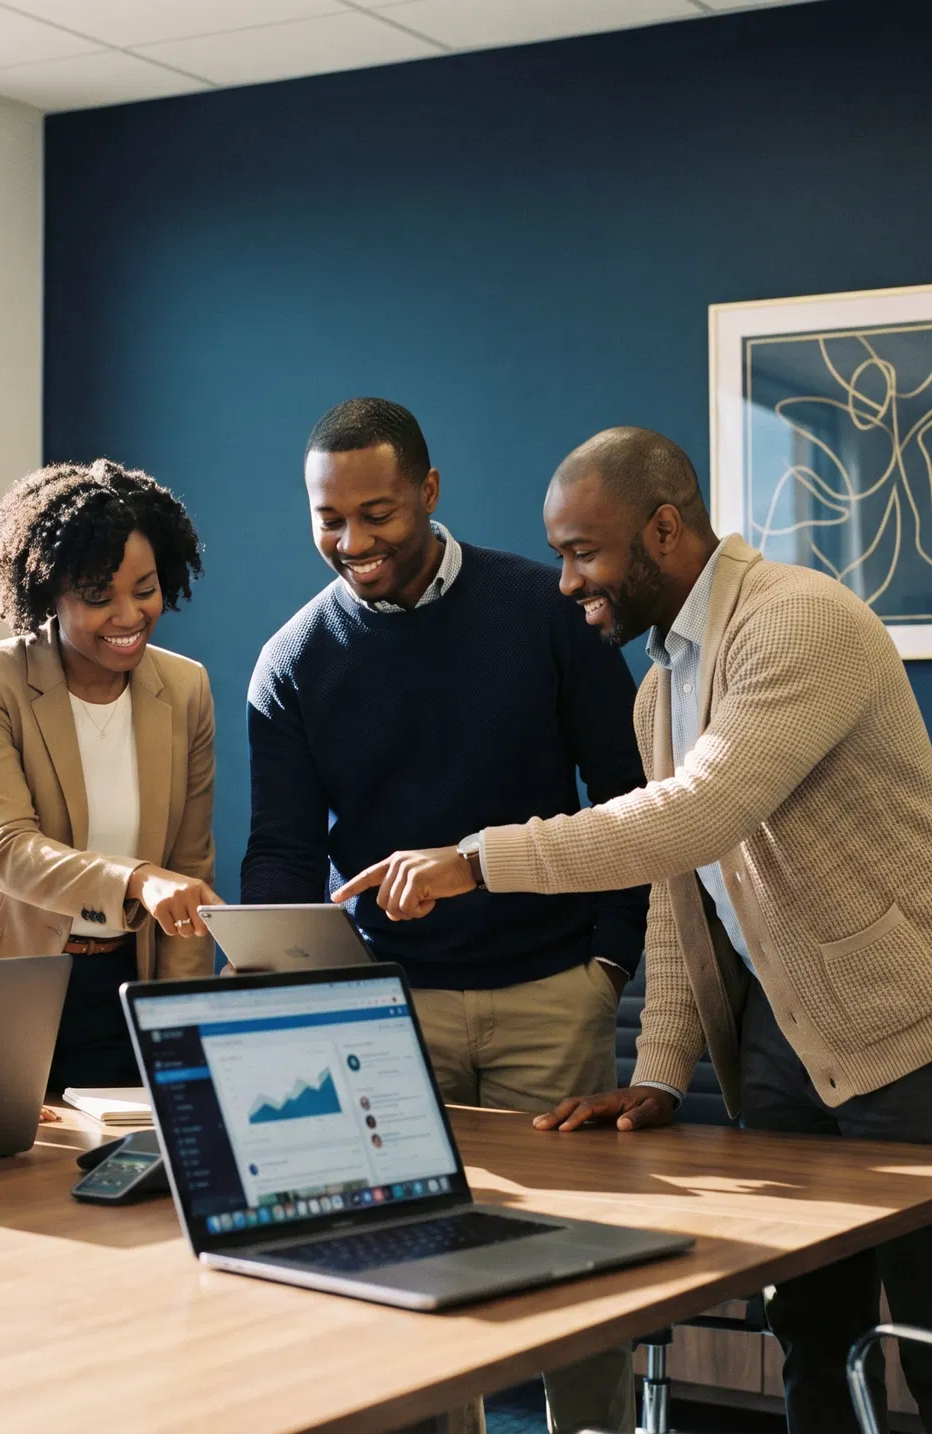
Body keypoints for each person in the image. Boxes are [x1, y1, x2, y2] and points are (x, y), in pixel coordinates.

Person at [337, 426, 932, 1434]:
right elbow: (678, 884)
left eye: (583, 552)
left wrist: (475, 860)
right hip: (785, 1040)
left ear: (663, 530)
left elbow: (695, 814)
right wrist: (659, 1074)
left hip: (915, 1025)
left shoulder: (799, 623)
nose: (568, 583)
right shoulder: (663, 685)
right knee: (812, 1335)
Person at [244, 398, 649, 1434]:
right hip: (391, 1013)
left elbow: (628, 797)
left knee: (576, 1274)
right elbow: (285, 853)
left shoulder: (545, 610)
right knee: (412, 1275)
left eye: (377, 512)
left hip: (552, 991)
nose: (354, 542)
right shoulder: (292, 662)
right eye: (329, 519)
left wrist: (607, 962)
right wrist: (294, 999)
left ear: (429, 492)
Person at [0, 459, 219, 1092]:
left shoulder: (186, 688)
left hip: (120, 988)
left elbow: (188, 871)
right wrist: (138, 879)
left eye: (146, 588)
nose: (129, 615)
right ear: (47, 592)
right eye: (97, 596)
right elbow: (3, 847)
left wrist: (182, 1030)